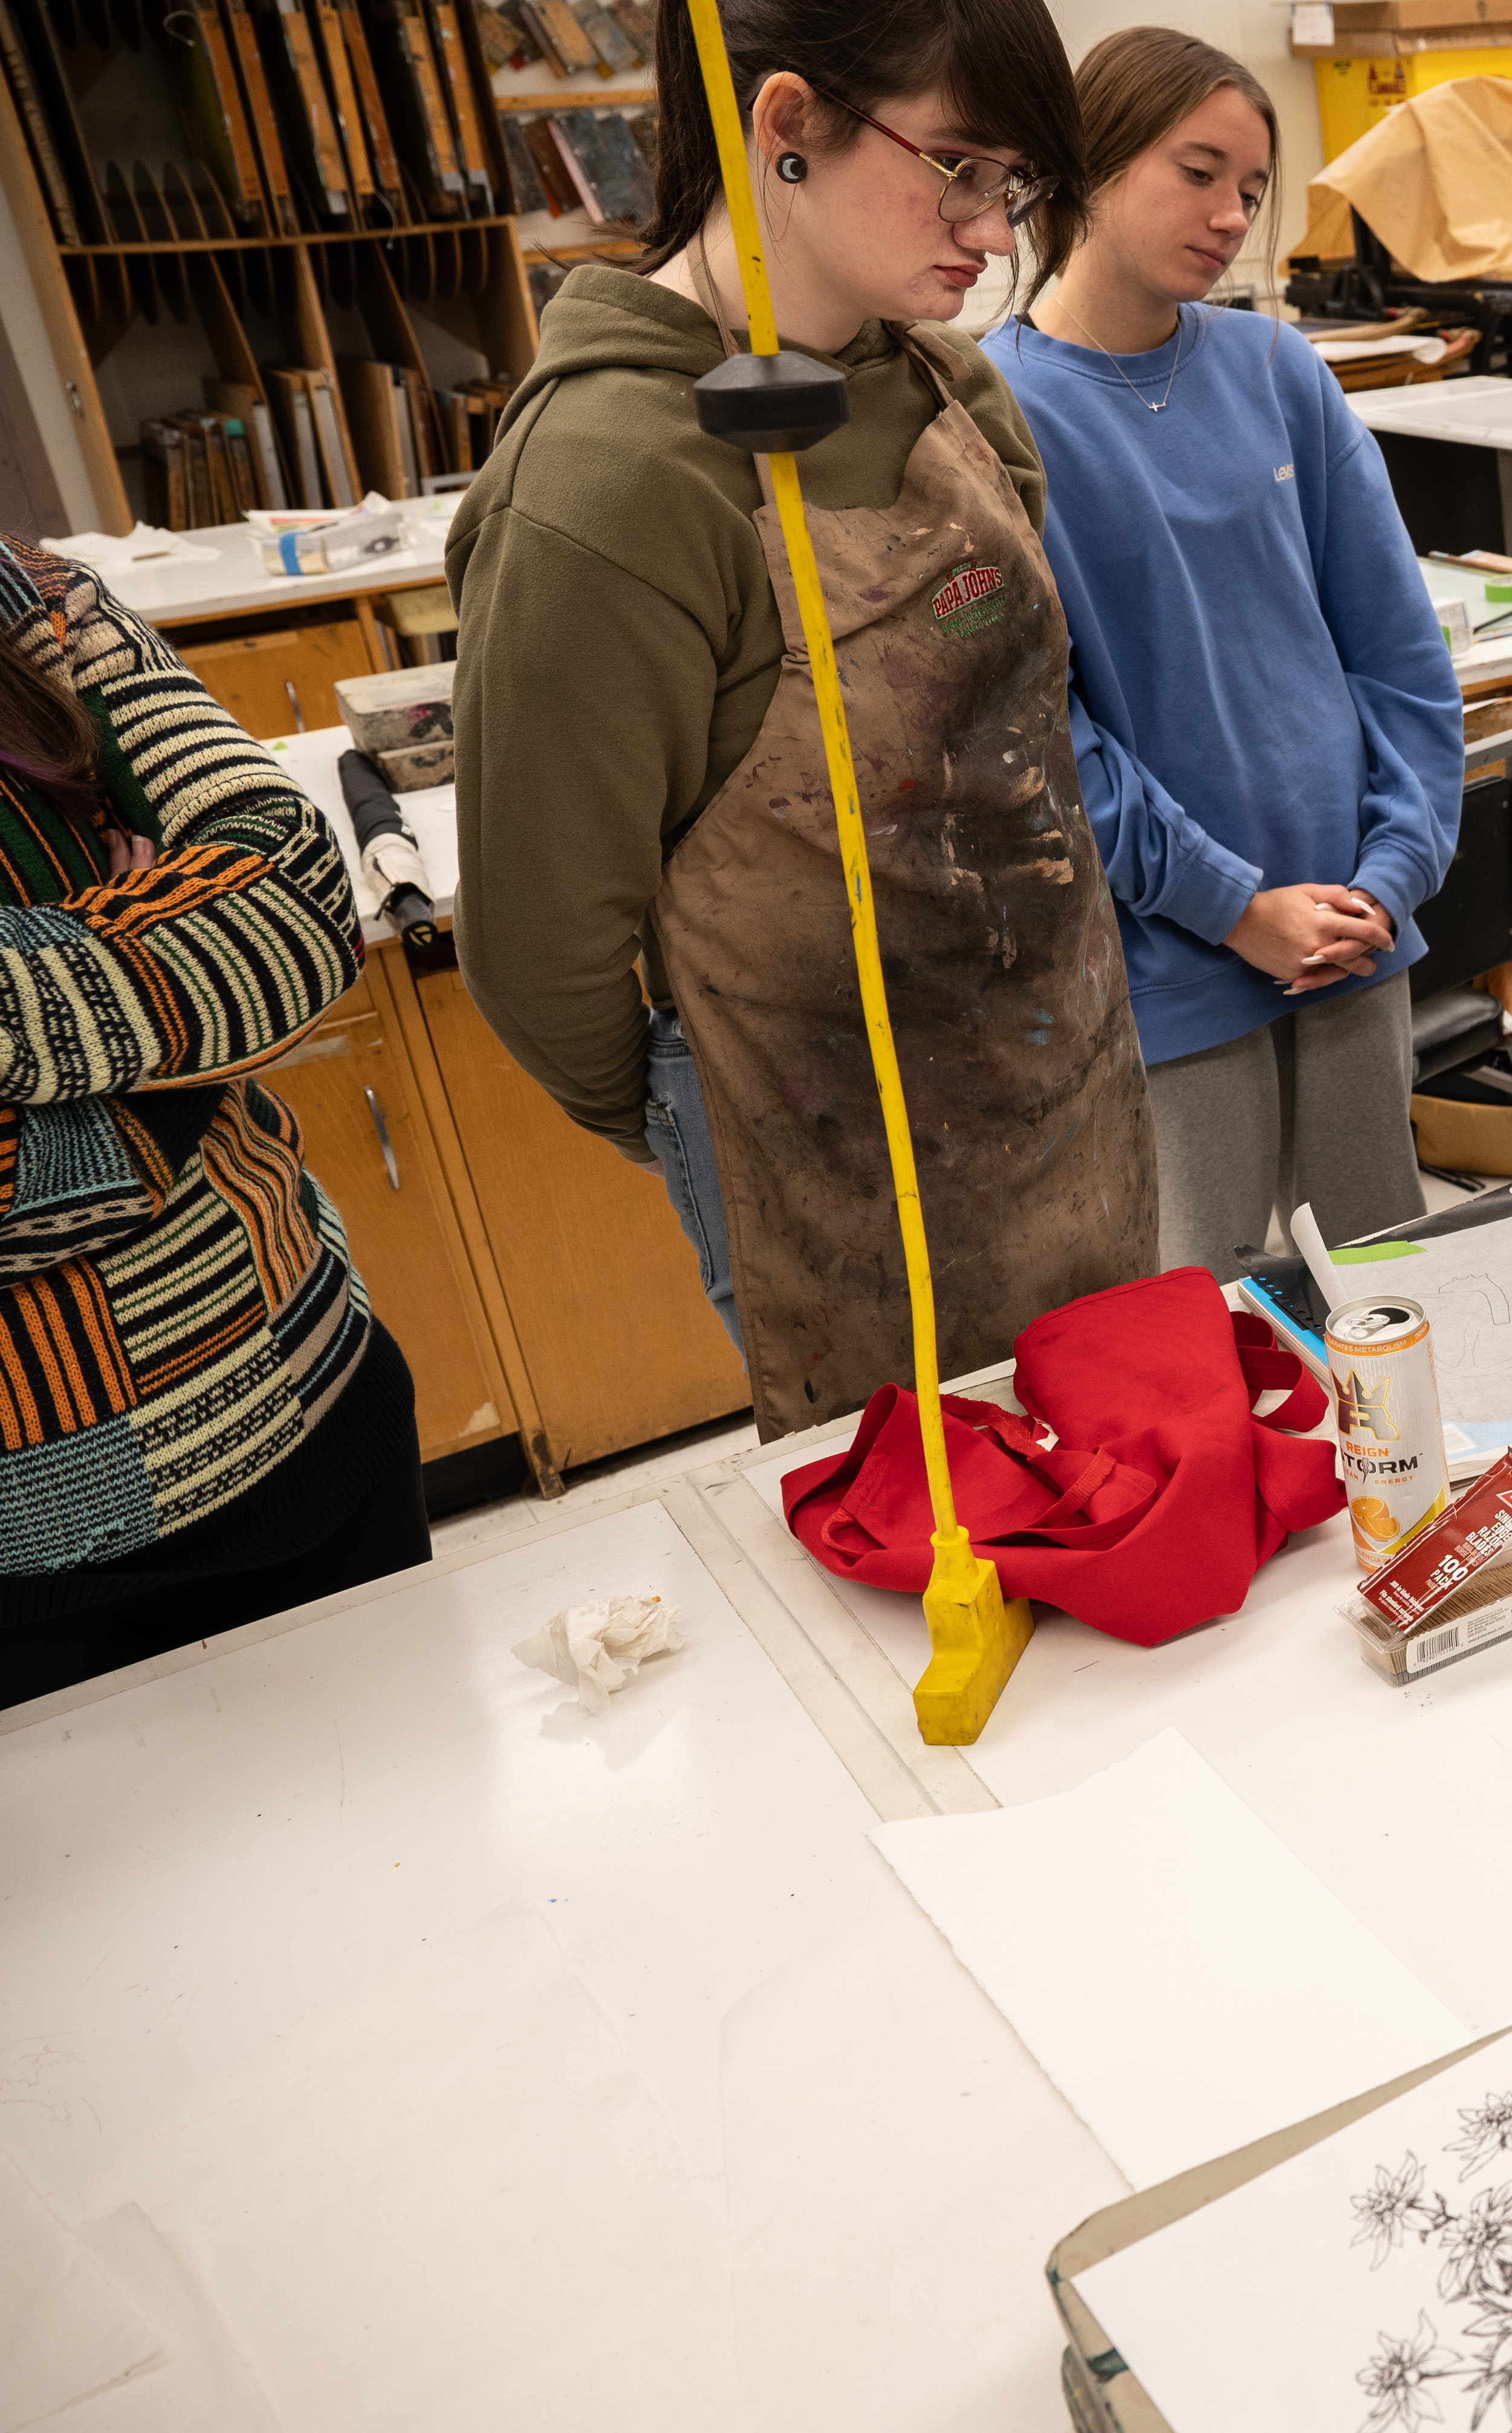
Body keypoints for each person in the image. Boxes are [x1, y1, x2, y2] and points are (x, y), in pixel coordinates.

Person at [450, 0, 1157, 1443]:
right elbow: (540, 949)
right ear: (784, 129)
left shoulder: (949, 386)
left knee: (1116, 1518)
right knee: (923, 1563)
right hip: (824, 1155)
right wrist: (719, 1118)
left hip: (1064, 1091)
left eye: (1012, 185)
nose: (995, 230)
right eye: (958, 166)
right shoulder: (609, 481)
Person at [990, 28, 1459, 1273]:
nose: (1231, 215)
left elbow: (1399, 652)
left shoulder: (1277, 367)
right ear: (1089, 164)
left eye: (1250, 188)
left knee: (1394, 1298)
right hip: (1176, 958)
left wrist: (1396, 870)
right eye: (1199, 172)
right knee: (1210, 1323)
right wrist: (1232, 907)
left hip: (1355, 934)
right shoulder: (998, 415)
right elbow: (1040, 735)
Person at [1, 537, 424, 1702]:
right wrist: (165, 1053)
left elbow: (292, 900)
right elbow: (218, 981)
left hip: (308, 1419)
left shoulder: (39, 602)